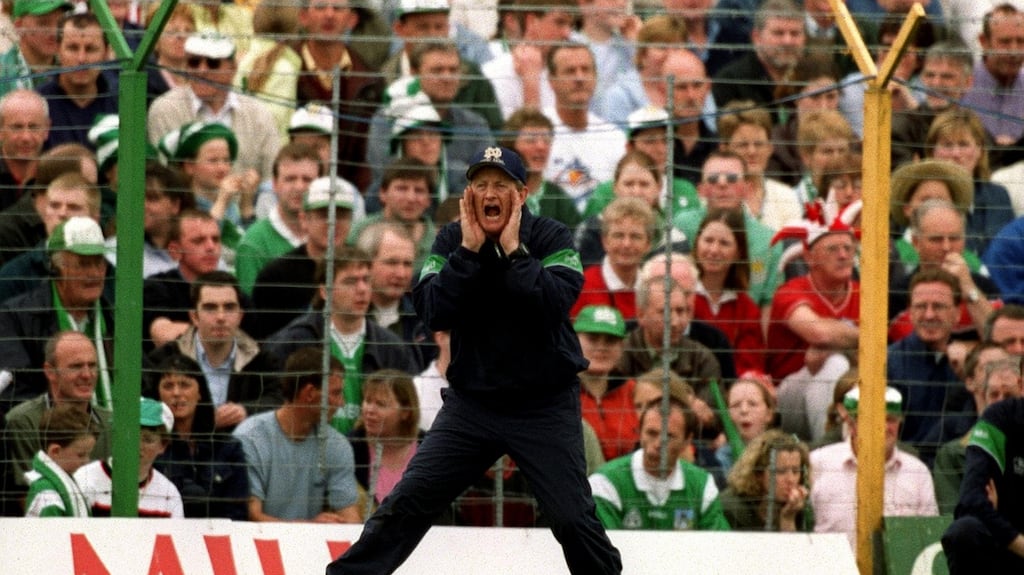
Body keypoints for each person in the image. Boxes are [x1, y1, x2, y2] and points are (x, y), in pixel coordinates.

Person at [327, 146, 623, 574]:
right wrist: (467, 254)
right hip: (473, 406)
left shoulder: (551, 237)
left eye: (501, 185)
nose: (490, 193)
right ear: (468, 195)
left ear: (521, 195)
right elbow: (432, 311)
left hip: (543, 405)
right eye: (481, 184)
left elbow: (554, 303)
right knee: (408, 502)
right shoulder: (451, 241)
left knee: (572, 518)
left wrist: (514, 252)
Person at [263, 246, 418, 433]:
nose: (361, 289)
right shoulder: (293, 342)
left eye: (366, 280)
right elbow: (271, 404)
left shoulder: (391, 347)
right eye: (350, 281)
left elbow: (409, 409)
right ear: (324, 291)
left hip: (367, 455)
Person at [234, 347, 361, 523]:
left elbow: (351, 518)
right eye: (336, 393)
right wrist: (311, 529)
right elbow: (252, 515)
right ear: (309, 393)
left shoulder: (336, 444)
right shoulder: (250, 437)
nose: (341, 403)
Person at [147, 271, 282, 431]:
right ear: (194, 317)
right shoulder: (161, 360)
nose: (221, 317)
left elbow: (280, 398)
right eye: (210, 308)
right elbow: (148, 408)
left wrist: (245, 410)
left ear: (240, 316)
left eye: (229, 307)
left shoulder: (262, 359)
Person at [0, 217, 114, 406]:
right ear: (56, 267)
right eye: (83, 264)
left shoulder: (115, 317)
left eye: (99, 263)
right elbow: (14, 391)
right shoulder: (16, 317)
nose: (94, 273)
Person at [811, 386, 938, 549]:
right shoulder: (818, 463)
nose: (884, 427)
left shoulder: (918, 473)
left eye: (891, 419)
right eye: (874, 420)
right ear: (851, 424)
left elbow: (927, 542)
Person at [3, 331, 112, 515]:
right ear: (50, 371)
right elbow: (28, 497)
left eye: (92, 365)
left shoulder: (112, 423)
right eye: (76, 366)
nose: (87, 374)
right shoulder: (23, 421)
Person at [148, 31, 279, 181]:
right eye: (194, 62)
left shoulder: (258, 114)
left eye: (213, 63)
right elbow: (166, 177)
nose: (202, 70)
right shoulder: (166, 109)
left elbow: (270, 179)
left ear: (233, 68)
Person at [588, 397, 731, 530]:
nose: (658, 443)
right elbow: (602, 548)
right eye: (651, 433)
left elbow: (719, 546)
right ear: (640, 432)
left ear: (687, 440)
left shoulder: (702, 485)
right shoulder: (606, 482)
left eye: (669, 436)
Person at [144, 352, 249, 520]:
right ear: (158, 395)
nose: (177, 393)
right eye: (168, 386)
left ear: (200, 393)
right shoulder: (148, 447)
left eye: (185, 385)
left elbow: (238, 512)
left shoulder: (228, 447)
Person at [887, 268, 976, 465]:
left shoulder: (973, 364)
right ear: (909, 312)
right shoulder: (889, 362)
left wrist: (970, 371)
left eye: (938, 306)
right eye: (921, 306)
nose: (929, 315)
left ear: (957, 313)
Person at [766, 220, 860, 381]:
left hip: (853, 384)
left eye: (848, 248)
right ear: (809, 257)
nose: (843, 255)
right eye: (832, 249)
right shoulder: (789, 291)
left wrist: (833, 346)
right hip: (790, 390)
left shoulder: (865, 293)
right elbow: (819, 333)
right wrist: (859, 341)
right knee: (835, 364)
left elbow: (882, 345)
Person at [933, 343, 1020, 514]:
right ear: (983, 396)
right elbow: (955, 519)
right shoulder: (954, 454)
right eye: (994, 395)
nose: (1000, 402)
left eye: (1009, 396)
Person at [942, 392, 1024, 573]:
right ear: (1021, 384)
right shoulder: (999, 419)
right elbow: (970, 502)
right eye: (994, 392)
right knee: (965, 531)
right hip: (1010, 542)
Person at [74, 397, 185, 518]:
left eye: (147, 439)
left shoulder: (169, 494)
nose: (137, 445)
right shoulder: (85, 479)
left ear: (163, 446)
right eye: (129, 435)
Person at [234, 143, 321, 295]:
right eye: (290, 179)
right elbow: (250, 310)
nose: (299, 187)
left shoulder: (332, 235)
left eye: (307, 179)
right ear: (274, 184)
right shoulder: (253, 243)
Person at [692, 207, 767, 373]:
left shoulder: (746, 310)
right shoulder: (681, 297)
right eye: (708, 240)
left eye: (724, 243)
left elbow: (750, 368)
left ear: (738, 253)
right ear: (697, 243)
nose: (714, 250)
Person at [37, 12, 118, 151]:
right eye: (73, 48)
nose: (81, 58)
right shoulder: (37, 104)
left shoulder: (120, 106)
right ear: (57, 50)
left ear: (106, 53)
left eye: (90, 49)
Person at [348, 369, 423, 510]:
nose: (370, 410)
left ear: (406, 412)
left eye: (381, 404)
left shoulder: (428, 447)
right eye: (367, 401)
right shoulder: (349, 447)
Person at [571, 197, 654, 321]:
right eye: (618, 235)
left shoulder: (654, 291)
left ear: (648, 244)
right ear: (604, 241)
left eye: (635, 236)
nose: (626, 244)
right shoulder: (582, 289)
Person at [574, 305, 638, 461]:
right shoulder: (556, 392)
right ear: (573, 340)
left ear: (622, 347)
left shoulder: (635, 392)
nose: (601, 347)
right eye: (593, 338)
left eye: (610, 340)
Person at [720, 429, 811, 531]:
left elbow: (795, 547)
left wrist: (788, 519)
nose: (790, 479)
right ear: (758, 473)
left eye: (795, 471)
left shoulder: (799, 506)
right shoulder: (731, 509)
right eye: (780, 471)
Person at [22, 403, 95, 517]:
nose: (87, 461)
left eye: (88, 454)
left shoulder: (64, 481)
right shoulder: (48, 496)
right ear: (55, 451)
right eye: (81, 455)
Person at [716, 372, 778, 474]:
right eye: (736, 405)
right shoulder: (721, 459)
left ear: (769, 414)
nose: (744, 410)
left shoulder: (782, 453)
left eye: (752, 404)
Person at [0, 89, 50, 211]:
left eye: (33, 127)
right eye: (17, 127)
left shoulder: (57, 177)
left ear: (46, 129)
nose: (26, 137)